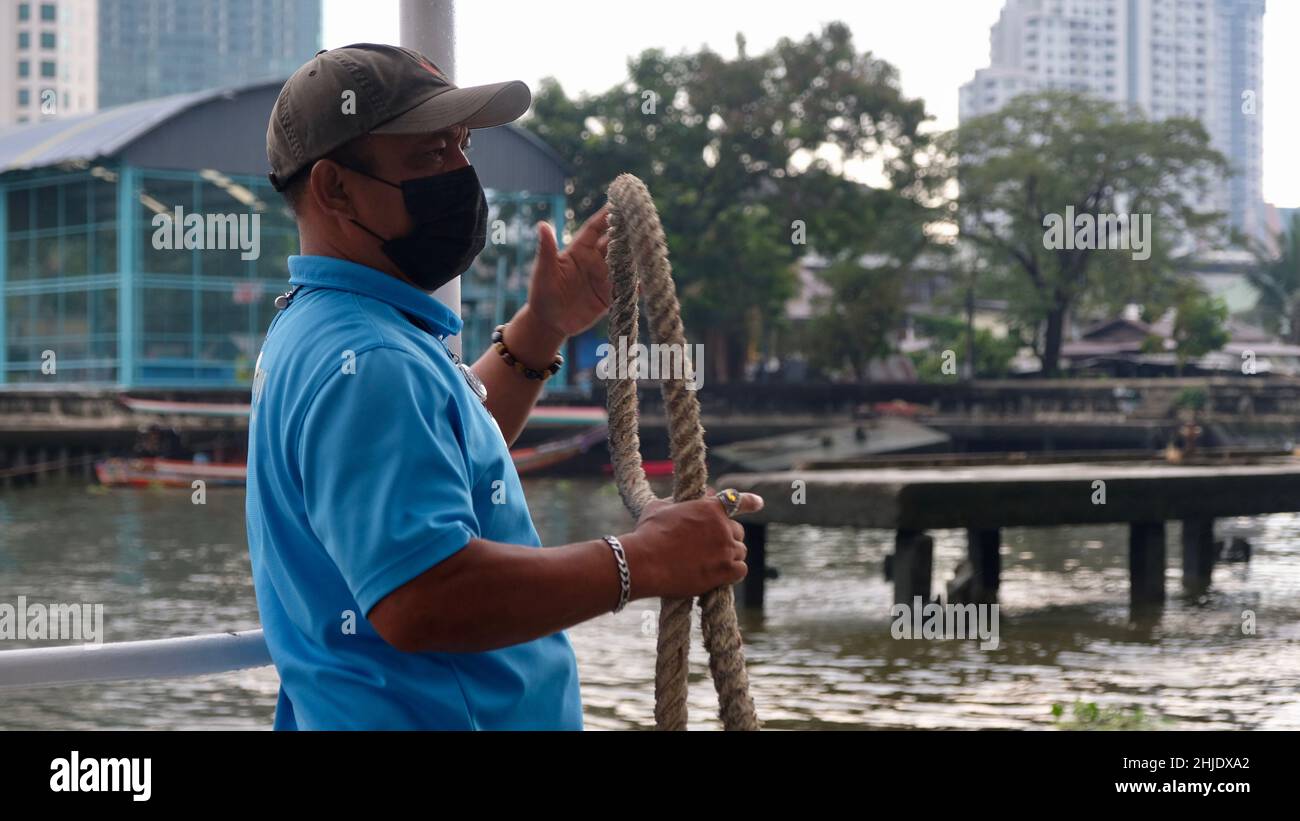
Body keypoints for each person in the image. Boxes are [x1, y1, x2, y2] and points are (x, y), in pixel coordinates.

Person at [246, 43, 762, 730]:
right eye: (429, 156)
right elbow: (423, 595)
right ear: (335, 188)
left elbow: (443, 445)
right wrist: (642, 559)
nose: (462, 173)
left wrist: (541, 328)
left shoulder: (324, 326)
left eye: (462, 147)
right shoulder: (371, 359)